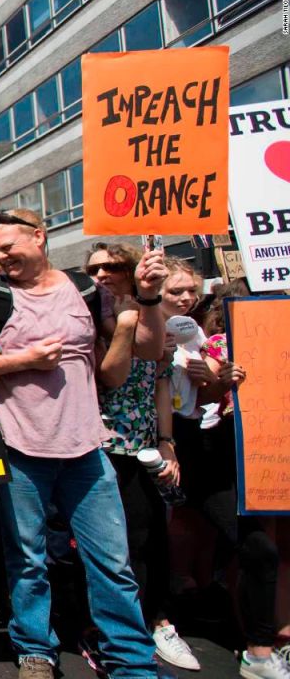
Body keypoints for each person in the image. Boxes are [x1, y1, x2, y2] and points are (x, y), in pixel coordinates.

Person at [0, 208, 166, 679]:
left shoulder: (87, 291)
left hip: (87, 449)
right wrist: (24, 359)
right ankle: (34, 650)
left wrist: (146, 300)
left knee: (112, 562)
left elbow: (148, 351)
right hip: (20, 449)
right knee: (28, 560)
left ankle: (131, 660)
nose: (1, 254)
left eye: (8, 245)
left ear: (40, 238)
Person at [162, 262, 282, 678]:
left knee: (256, 548)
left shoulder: (200, 343)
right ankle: (156, 622)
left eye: (189, 291)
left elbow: (209, 396)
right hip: (165, 452)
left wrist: (221, 380)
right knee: (152, 540)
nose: (184, 299)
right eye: (175, 291)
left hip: (214, 455)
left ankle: (260, 650)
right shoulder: (154, 336)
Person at [84, 244, 198, 672]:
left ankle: (155, 623)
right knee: (121, 545)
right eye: (93, 268)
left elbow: (161, 380)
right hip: (103, 444)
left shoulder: (152, 314)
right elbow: (111, 376)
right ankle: (110, 633)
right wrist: (124, 325)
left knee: (153, 537)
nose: (102, 274)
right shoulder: (89, 318)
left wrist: (167, 440)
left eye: (112, 266)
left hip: (148, 445)